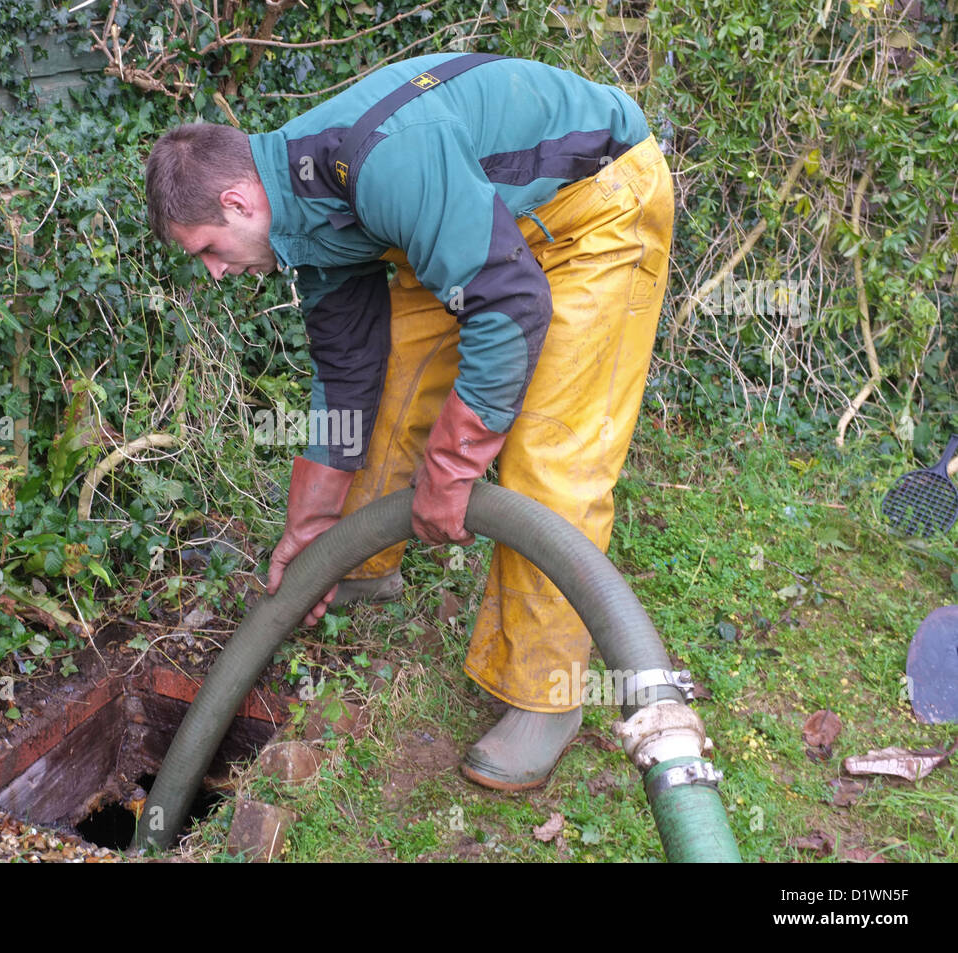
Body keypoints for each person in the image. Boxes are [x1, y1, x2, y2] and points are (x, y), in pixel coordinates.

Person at [145, 51, 673, 791]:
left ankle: (545, 699)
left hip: (596, 205)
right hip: (478, 221)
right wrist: (312, 526)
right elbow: (347, 372)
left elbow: (509, 303)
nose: (215, 271)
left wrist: (452, 472)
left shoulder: (379, 166)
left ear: (237, 202)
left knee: (550, 460)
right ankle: (358, 565)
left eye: (207, 250)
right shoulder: (305, 206)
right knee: (391, 400)